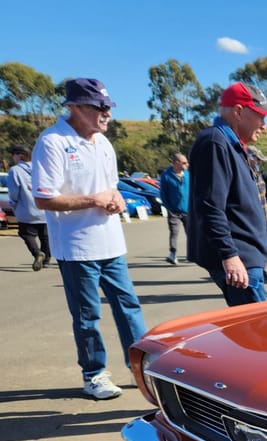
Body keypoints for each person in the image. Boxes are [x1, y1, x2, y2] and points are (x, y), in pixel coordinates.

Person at [31, 77, 147, 400]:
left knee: (129, 307)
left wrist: (116, 199)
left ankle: (141, 366)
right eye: (100, 107)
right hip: (76, 247)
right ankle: (93, 374)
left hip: (112, 244)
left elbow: (110, 187)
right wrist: (94, 200)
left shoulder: (104, 144)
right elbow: (44, 198)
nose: (107, 114)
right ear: (76, 107)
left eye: (108, 107)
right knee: (87, 315)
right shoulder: (52, 142)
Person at [187, 82, 267, 306]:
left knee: (253, 332)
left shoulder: (232, 144)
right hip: (241, 263)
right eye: (260, 116)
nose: (264, 125)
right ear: (239, 112)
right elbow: (210, 205)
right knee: (259, 334)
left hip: (247, 259)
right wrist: (230, 255)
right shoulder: (215, 142)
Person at [7, 144, 51, 271]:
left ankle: (37, 253)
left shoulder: (15, 171)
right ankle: (47, 259)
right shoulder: (41, 168)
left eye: (14, 155)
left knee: (26, 234)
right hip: (44, 208)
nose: (13, 158)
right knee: (45, 235)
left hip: (26, 209)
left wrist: (14, 203)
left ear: (20, 156)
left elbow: (14, 191)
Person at [158, 152, 189, 264]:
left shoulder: (188, 174)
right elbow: (163, 194)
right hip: (174, 211)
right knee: (174, 233)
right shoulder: (166, 176)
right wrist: (169, 207)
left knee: (191, 233)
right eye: (184, 163)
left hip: (188, 210)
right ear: (177, 163)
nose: (187, 165)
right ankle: (172, 254)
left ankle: (191, 254)